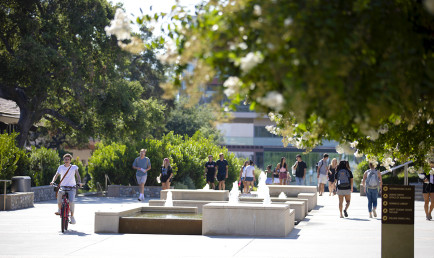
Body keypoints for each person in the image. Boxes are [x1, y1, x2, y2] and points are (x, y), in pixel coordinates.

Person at [50, 153, 82, 224]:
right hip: (63, 187)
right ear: (63, 160)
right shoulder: (60, 167)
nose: (66, 160)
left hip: (71, 188)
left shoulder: (74, 167)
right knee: (59, 195)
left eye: (68, 159)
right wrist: (53, 181)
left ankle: (72, 216)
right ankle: (59, 209)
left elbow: (78, 175)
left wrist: (79, 182)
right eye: (65, 159)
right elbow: (56, 175)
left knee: (71, 202)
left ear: (70, 160)